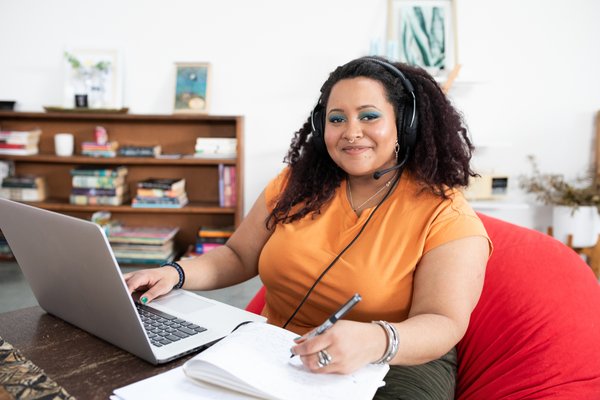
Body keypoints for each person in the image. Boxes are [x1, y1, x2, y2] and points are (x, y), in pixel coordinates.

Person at [124, 56, 491, 399]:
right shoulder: (295, 185)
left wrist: (375, 340)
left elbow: (443, 321)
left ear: (405, 125)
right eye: (336, 118)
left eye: (369, 116)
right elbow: (238, 255)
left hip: (393, 357)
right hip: (279, 348)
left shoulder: (447, 217)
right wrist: (175, 273)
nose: (351, 132)